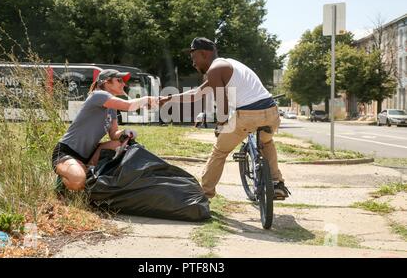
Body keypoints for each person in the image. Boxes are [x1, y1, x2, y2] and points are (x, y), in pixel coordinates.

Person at [159, 37, 290, 199]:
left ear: (204, 54)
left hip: (248, 115)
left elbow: (222, 106)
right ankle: (277, 184)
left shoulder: (214, 70)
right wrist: (169, 98)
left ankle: (205, 193)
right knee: (266, 141)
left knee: (219, 151)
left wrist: (220, 126)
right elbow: (196, 94)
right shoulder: (228, 65)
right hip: (271, 112)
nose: (193, 63)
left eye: (194, 58)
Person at [52, 69, 159, 192]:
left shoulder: (111, 107)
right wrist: (147, 99)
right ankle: (63, 184)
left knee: (120, 143)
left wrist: (125, 133)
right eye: (119, 80)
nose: (123, 84)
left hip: (89, 154)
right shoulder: (99, 95)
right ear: (106, 82)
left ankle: (83, 172)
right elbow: (129, 105)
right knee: (77, 181)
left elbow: (114, 135)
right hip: (66, 152)